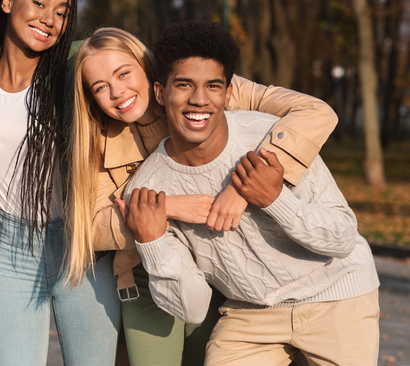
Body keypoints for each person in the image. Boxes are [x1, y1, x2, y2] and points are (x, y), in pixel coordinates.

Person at [67, 27, 340, 365]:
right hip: (145, 272)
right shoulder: (93, 139)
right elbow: (88, 227)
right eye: (101, 87)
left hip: (219, 268)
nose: (118, 92)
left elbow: (315, 114)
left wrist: (244, 187)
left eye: (124, 74)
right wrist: (168, 207)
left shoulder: (207, 90)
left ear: (147, 69)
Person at [120, 20, 379, 366]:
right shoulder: (148, 189)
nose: (199, 99)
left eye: (213, 86)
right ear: (161, 93)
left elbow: (343, 237)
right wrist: (152, 243)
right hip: (249, 314)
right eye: (184, 85)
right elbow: (194, 308)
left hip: (336, 295)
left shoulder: (271, 136)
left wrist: (276, 199)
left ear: (228, 94)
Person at [0, 0, 122, 365]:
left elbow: (126, 69)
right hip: (8, 249)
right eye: (39, 2)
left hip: (81, 247)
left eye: (62, 12)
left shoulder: (72, 69)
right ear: (9, 1)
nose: (50, 19)